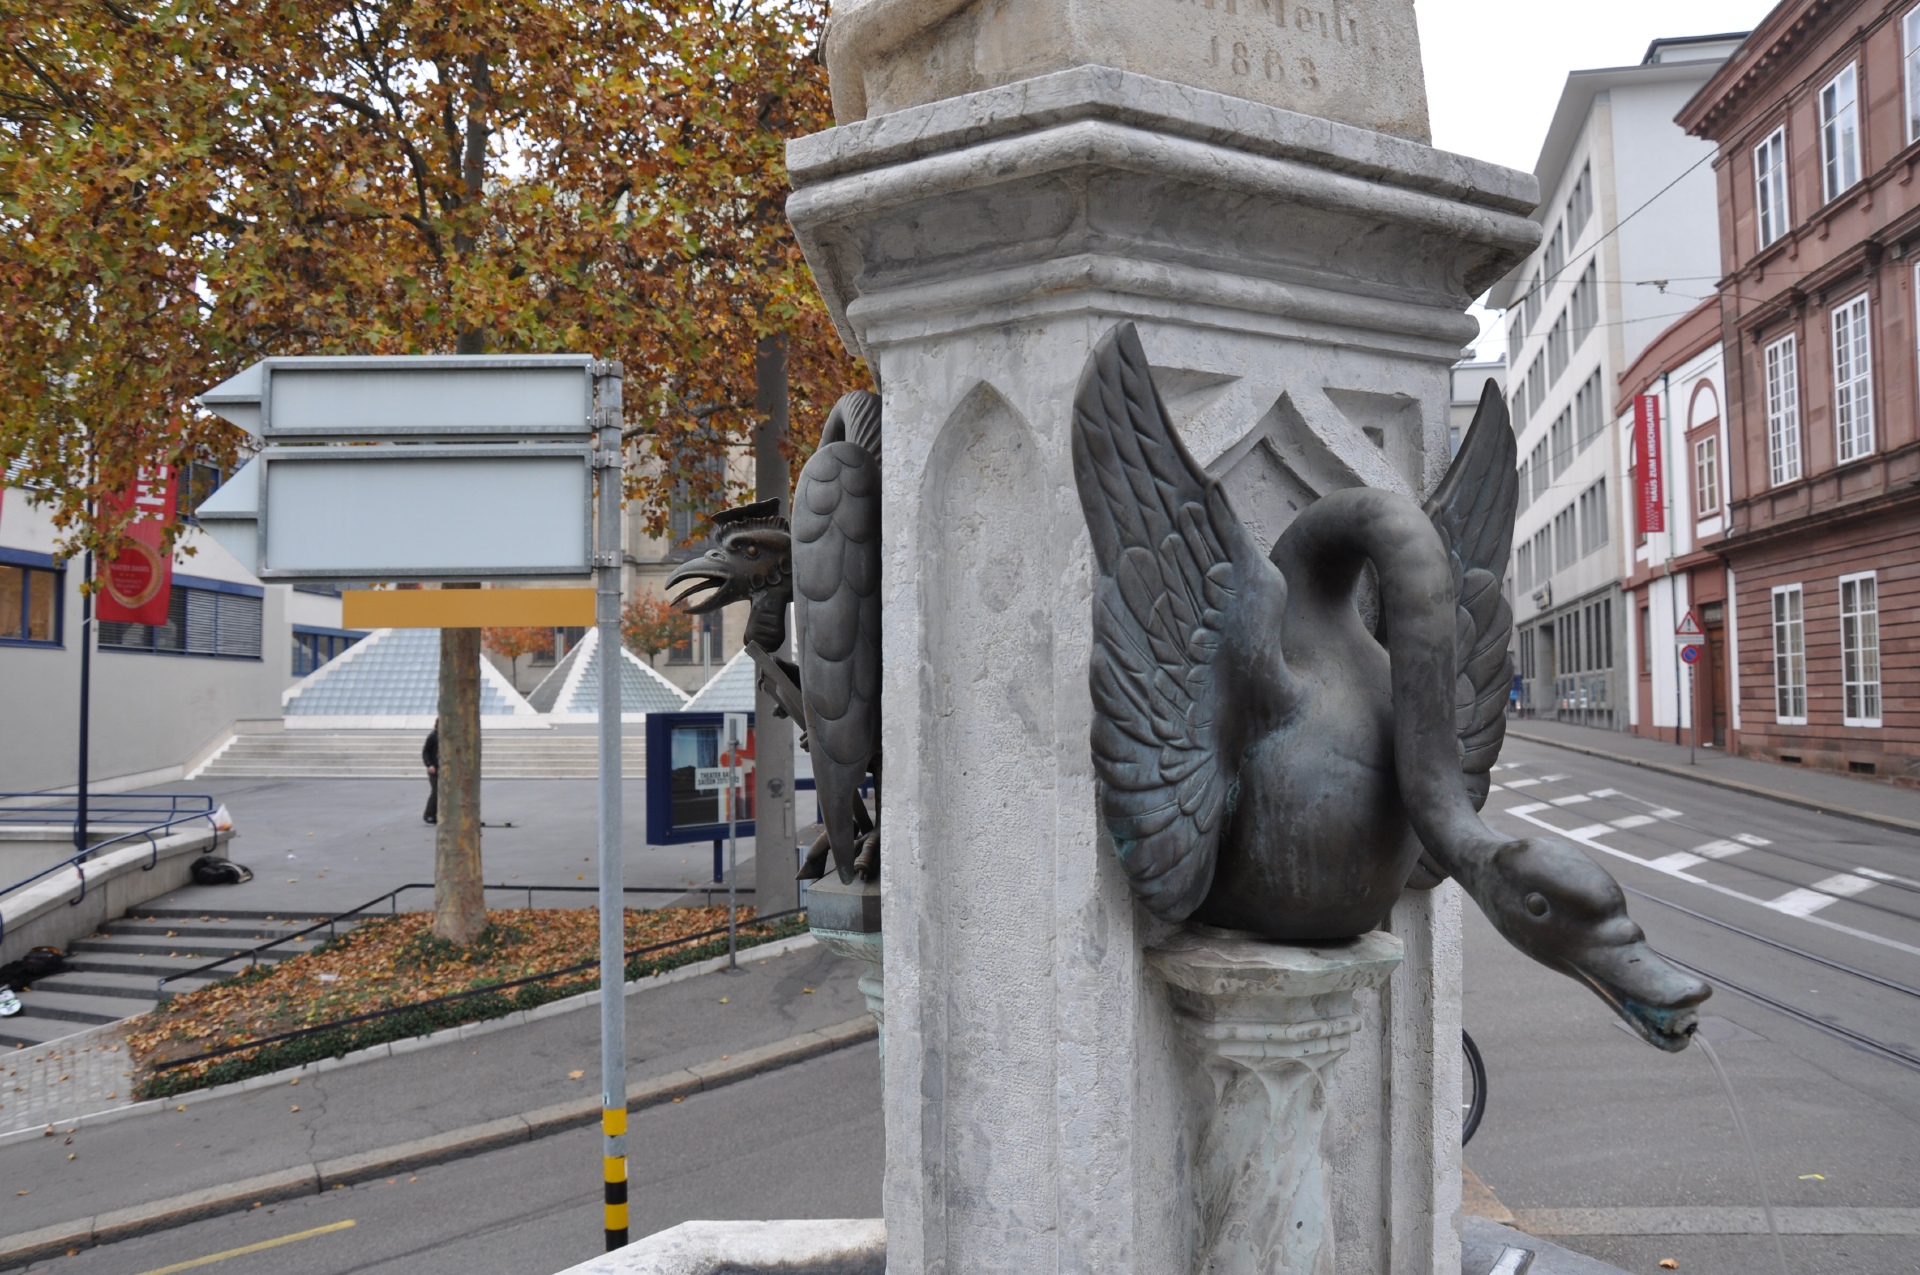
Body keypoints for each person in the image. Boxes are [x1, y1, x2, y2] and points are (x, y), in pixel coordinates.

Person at [423, 720, 440, 825]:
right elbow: (425, 752)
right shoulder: (433, 736)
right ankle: (429, 815)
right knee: (436, 792)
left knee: (441, 793)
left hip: (444, 768)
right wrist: (429, 765)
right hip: (434, 768)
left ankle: (437, 814)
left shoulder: (447, 736)